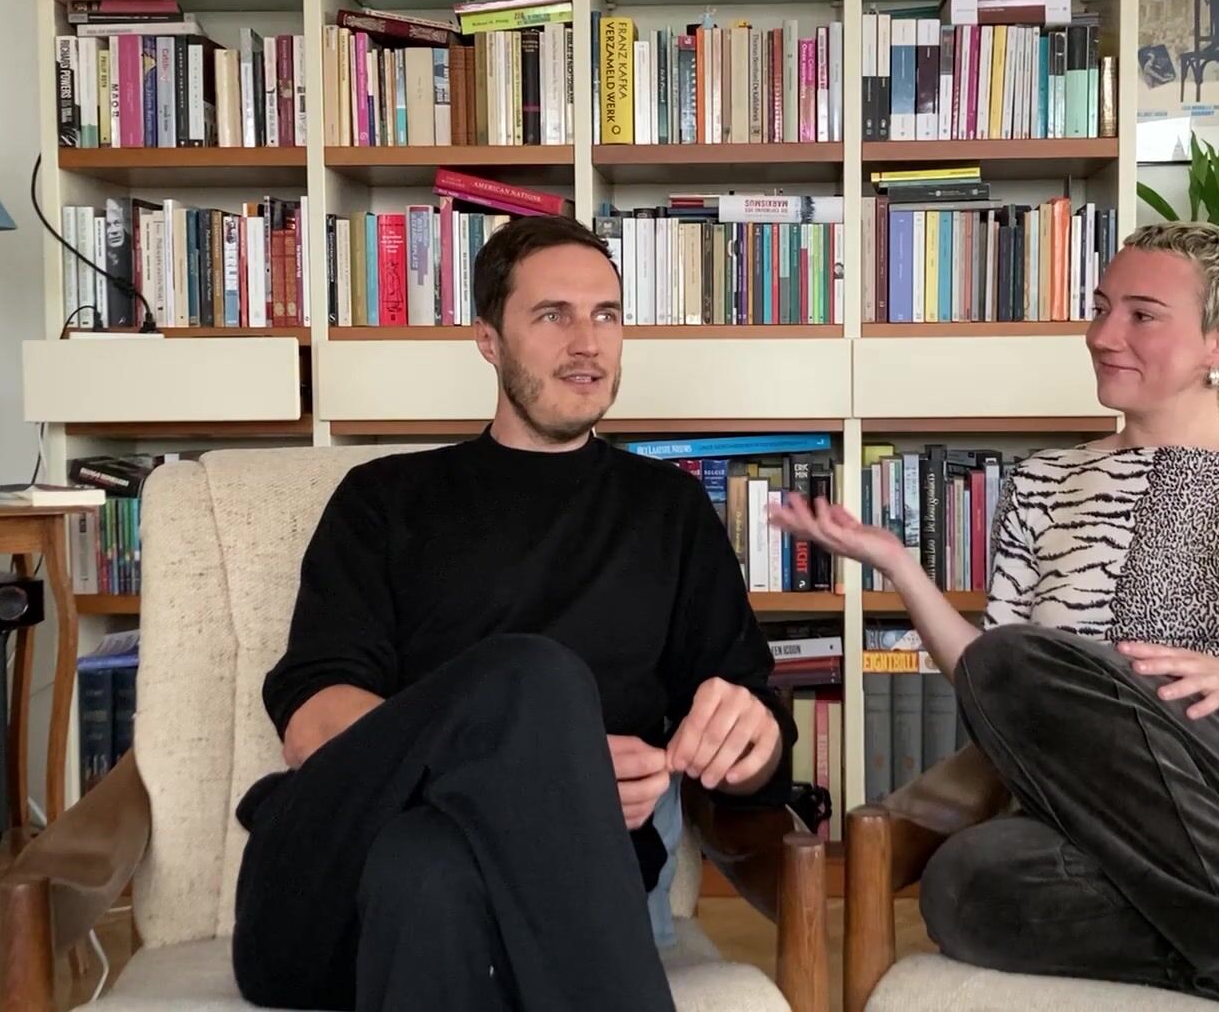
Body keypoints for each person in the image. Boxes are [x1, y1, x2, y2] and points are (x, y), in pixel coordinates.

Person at [769, 221, 1219, 1011]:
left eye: (1142, 315)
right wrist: (898, 565)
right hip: (1105, 816)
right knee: (966, 884)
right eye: (1101, 308)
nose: (1103, 335)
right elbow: (1000, 686)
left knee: (1021, 662)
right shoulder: (1045, 483)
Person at [231, 214, 797, 1012]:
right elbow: (313, 727)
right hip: (325, 905)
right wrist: (553, 770)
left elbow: (751, 736)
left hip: (493, 897)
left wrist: (752, 736)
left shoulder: (666, 512)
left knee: (429, 865)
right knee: (531, 680)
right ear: (488, 340)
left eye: (606, 314)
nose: (587, 343)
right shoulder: (385, 500)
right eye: (552, 314)